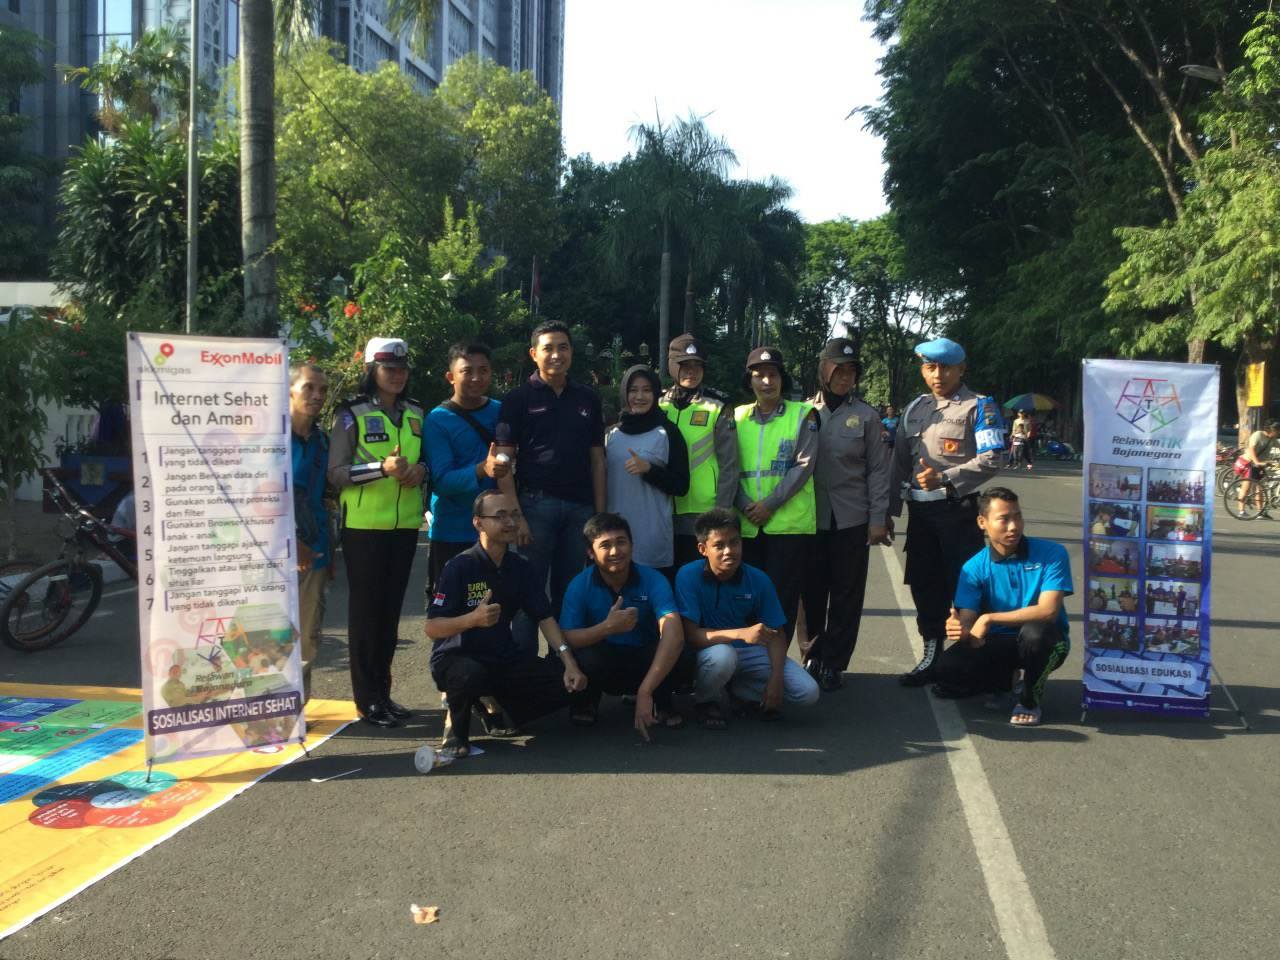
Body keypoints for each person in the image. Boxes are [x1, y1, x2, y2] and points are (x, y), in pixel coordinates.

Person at [426, 489, 588, 758]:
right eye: (499, 516)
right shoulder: (460, 566)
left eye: (514, 514)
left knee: (570, 684)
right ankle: (458, 724)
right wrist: (472, 619)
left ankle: (499, 704)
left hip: (502, 658)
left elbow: (544, 617)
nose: (510, 522)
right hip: (459, 658)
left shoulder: (520, 566)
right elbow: (432, 627)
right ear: (478, 523)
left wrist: (569, 663)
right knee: (468, 674)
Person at [891, 337, 1004, 686]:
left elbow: (993, 457)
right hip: (921, 517)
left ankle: (977, 660)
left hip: (958, 513)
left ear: (961, 368)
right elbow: (898, 463)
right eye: (930, 367)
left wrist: (946, 477)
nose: (937, 374)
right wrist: (887, 514)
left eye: (945, 367)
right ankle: (932, 654)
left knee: (966, 587)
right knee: (925, 585)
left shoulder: (979, 407)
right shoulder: (915, 409)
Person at [327, 337, 428, 728]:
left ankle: (383, 693)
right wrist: (380, 469)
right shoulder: (350, 414)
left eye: (403, 369)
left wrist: (422, 472)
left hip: (405, 527)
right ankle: (366, 699)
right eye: (389, 369)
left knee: (389, 617)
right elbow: (335, 474)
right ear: (372, 370)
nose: (398, 375)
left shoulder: (417, 413)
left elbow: (425, 463)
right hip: (364, 528)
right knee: (367, 617)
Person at [496, 320, 606, 655]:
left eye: (563, 347)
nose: (556, 355)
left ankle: (564, 671)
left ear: (571, 352)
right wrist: (516, 515)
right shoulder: (517, 399)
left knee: (570, 593)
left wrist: (600, 517)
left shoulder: (588, 398)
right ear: (534, 354)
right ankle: (526, 672)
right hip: (534, 507)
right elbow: (503, 463)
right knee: (529, 592)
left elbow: (598, 461)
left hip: (579, 510)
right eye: (548, 348)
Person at [933, 487, 1073, 726]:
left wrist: (989, 619)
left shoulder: (1052, 553)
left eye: (1017, 516)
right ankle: (1004, 681)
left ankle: (1030, 699)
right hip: (1000, 642)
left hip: (1047, 640)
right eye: (1004, 519)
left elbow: (1048, 611)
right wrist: (960, 628)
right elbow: (968, 620)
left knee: (1035, 634)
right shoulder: (973, 567)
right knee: (948, 670)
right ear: (982, 522)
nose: (1013, 526)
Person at [800, 338, 893, 691]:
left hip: (851, 519)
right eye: (838, 370)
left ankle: (835, 663)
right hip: (808, 517)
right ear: (824, 370)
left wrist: (877, 518)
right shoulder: (804, 411)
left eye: (851, 371)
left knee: (846, 594)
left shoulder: (867, 417)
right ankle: (810, 656)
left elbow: (879, 471)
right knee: (810, 593)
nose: (844, 377)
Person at [675, 508, 819, 727]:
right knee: (723, 657)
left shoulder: (758, 579)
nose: (728, 551)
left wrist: (776, 679)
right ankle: (707, 701)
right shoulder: (688, 576)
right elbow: (692, 636)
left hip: (747, 650)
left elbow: (776, 632)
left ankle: (739, 692)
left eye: (734, 543)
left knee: (808, 693)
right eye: (719, 545)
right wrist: (741, 633)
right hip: (709, 651)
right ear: (703, 549)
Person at [559, 512, 695, 738]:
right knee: (584, 656)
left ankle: (661, 701)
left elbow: (674, 634)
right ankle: (586, 702)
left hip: (644, 662)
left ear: (632, 545)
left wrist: (645, 690)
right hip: (605, 663)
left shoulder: (653, 579)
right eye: (605, 545)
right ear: (591, 553)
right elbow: (568, 637)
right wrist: (607, 628)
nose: (615, 551)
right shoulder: (579, 584)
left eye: (621, 542)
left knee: (683, 653)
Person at [734, 346, 819, 648]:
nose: (766, 382)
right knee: (747, 600)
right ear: (750, 380)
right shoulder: (737, 416)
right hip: (747, 525)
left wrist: (768, 505)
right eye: (759, 376)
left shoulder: (802, 415)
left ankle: (776, 674)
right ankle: (751, 670)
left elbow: (804, 466)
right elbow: (729, 467)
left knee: (781, 604)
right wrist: (745, 505)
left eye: (772, 375)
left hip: (788, 527)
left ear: (782, 379)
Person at [423, 342, 509, 598]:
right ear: (450, 377)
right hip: (451, 532)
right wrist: (482, 469)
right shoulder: (437, 420)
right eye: (467, 371)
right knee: (448, 612)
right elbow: (442, 480)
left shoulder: (500, 410)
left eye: (483, 370)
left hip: (495, 533)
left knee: (496, 607)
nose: (476, 377)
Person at [659, 334, 740, 569]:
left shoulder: (717, 405)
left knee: (700, 578)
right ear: (673, 366)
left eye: (697, 366)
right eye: (685, 365)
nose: (691, 372)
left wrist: (721, 513)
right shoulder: (657, 404)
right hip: (664, 508)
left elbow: (729, 464)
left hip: (704, 512)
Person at [605, 365, 689, 575]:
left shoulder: (668, 431)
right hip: (614, 537)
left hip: (652, 537)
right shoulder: (611, 434)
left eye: (647, 390)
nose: (639, 396)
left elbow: (681, 485)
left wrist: (649, 470)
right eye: (633, 390)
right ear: (625, 393)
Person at [290, 362, 331, 702]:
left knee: (307, 636)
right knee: (260, 635)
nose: (317, 396)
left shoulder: (322, 441)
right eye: (309, 388)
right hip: (271, 554)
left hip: (315, 553)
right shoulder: (267, 438)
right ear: (290, 390)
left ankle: (295, 711)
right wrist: (291, 542)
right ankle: (265, 707)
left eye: (322, 390)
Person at [1237, 419, 1278, 514]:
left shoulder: (1272, 439)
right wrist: (1256, 462)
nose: (1278, 433)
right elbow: (1252, 449)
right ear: (1271, 430)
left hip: (1261, 465)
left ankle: (1260, 512)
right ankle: (1241, 511)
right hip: (1250, 463)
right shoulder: (1258, 435)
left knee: (1260, 488)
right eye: (1277, 431)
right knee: (1246, 487)